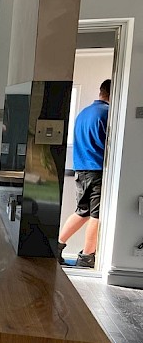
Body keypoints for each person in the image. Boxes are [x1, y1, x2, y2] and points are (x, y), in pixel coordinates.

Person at [57, 79, 111, 268]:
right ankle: (87, 258)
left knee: (83, 211)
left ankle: (56, 247)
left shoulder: (84, 113)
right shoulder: (107, 113)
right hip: (96, 169)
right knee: (97, 215)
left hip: (81, 168)